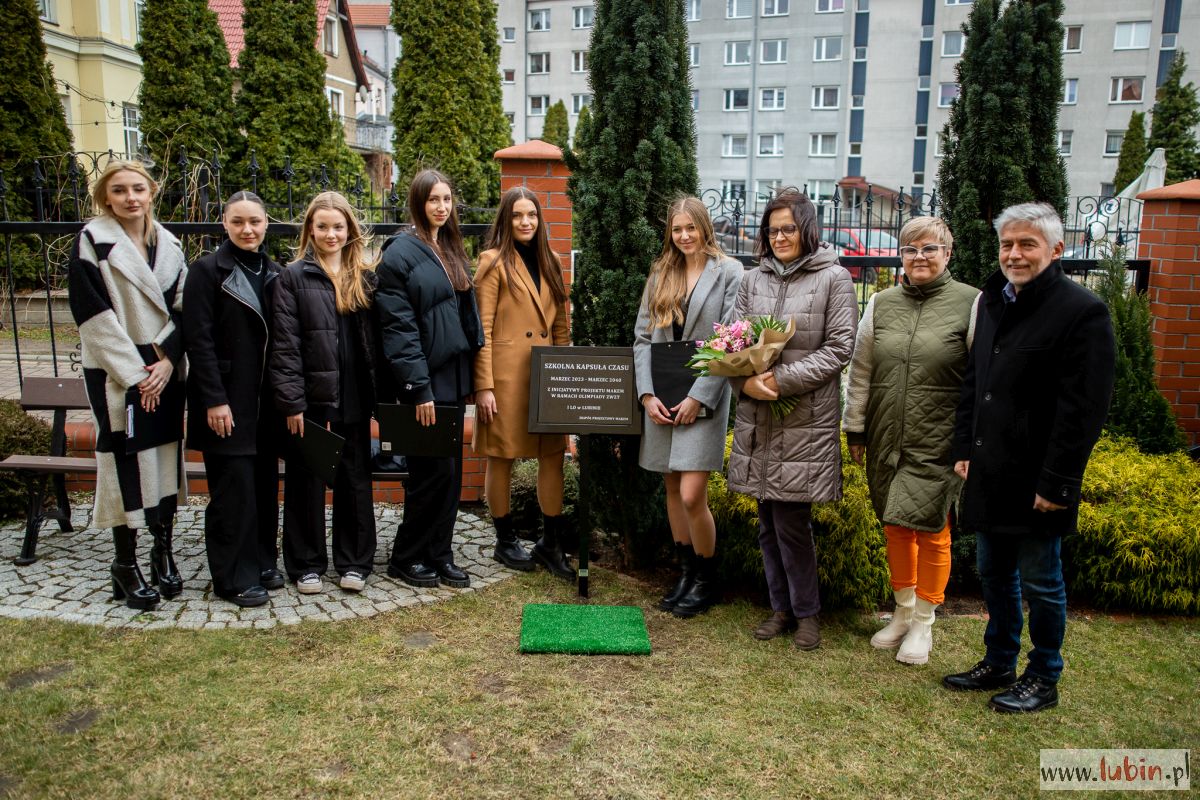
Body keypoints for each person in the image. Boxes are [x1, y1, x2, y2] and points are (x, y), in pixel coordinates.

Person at [943, 202, 1115, 713]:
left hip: (1040, 477)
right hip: (990, 468)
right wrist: (964, 449)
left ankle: (1043, 675)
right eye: (1007, 245)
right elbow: (976, 383)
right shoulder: (994, 302)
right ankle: (999, 659)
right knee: (994, 573)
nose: (1013, 255)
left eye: (1027, 245)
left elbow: (1083, 411)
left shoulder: (1082, 312)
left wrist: (1056, 483)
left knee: (1042, 581)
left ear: (1056, 249)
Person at [844, 216, 980, 664]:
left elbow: (981, 381)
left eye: (929, 248)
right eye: (910, 249)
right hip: (885, 430)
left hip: (939, 436)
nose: (919, 257)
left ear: (947, 253)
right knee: (895, 522)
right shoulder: (882, 303)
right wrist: (856, 425)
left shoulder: (971, 303)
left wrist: (970, 442)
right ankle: (901, 613)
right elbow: (861, 370)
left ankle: (924, 621)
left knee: (933, 526)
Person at [726, 191, 857, 650]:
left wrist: (780, 381)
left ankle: (807, 614)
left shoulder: (834, 279)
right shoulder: (751, 279)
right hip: (759, 416)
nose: (779, 237)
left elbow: (840, 348)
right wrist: (743, 381)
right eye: (772, 229)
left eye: (788, 228)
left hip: (802, 417)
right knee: (766, 519)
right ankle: (779, 608)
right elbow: (732, 340)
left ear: (807, 229)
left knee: (791, 523)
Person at [67, 160, 188, 611]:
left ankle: (163, 550)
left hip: (164, 368)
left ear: (152, 191)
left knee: (163, 455)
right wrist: (136, 374)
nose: (130, 197)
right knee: (125, 460)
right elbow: (92, 315)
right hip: (118, 371)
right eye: (119, 191)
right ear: (106, 197)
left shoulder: (170, 245)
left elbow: (182, 308)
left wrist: (167, 360)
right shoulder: (93, 241)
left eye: (138, 188)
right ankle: (124, 562)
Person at [633, 196, 743, 617]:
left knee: (693, 493)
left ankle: (707, 578)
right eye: (677, 230)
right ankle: (684, 573)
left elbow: (731, 339)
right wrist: (646, 395)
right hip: (661, 394)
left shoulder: (730, 272)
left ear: (704, 227)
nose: (684, 237)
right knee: (670, 488)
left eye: (690, 228)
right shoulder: (662, 271)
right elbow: (644, 337)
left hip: (703, 397)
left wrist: (700, 396)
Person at [376, 170, 484, 589]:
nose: (441, 207)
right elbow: (398, 330)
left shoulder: (450, 247)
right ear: (418, 203)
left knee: (451, 473)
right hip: (425, 380)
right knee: (429, 474)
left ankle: (439, 554)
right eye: (432, 200)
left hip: (453, 377)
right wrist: (417, 387)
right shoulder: (400, 253)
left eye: (446, 199)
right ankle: (406, 556)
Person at [268, 191, 378, 595]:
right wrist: (292, 401)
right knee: (306, 481)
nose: (331, 234)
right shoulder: (292, 277)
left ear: (349, 229)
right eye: (322, 227)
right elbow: (285, 346)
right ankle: (306, 564)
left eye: (338, 226)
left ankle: (354, 561)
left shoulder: (364, 277)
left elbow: (374, 344)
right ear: (309, 230)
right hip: (311, 401)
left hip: (353, 398)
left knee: (354, 479)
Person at [184, 191, 284, 608]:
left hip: (266, 403)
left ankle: (262, 561)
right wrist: (214, 399)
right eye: (238, 221)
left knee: (263, 486)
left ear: (266, 224)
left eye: (255, 222)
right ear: (224, 222)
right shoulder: (207, 271)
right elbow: (198, 340)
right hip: (227, 401)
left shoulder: (275, 272)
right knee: (233, 491)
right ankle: (232, 577)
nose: (247, 229)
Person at [473, 187, 574, 579]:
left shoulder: (551, 260)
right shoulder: (492, 262)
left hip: (546, 378)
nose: (526, 221)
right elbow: (481, 329)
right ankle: (505, 539)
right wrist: (484, 385)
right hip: (505, 380)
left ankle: (551, 544)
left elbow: (561, 328)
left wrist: (565, 380)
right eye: (517, 215)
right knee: (502, 457)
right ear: (506, 219)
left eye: (531, 214)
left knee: (553, 457)